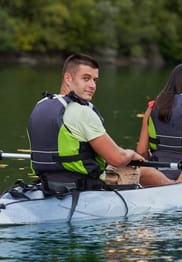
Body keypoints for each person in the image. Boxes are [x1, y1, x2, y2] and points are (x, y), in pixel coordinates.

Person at [27, 53, 148, 194]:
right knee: (137, 170)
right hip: (82, 188)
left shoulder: (41, 105)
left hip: (47, 185)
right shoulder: (82, 112)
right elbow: (117, 158)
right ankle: (174, 186)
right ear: (68, 78)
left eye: (95, 80)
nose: (92, 85)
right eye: (86, 78)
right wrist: (131, 154)